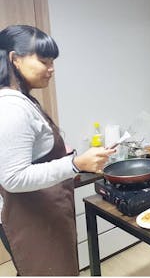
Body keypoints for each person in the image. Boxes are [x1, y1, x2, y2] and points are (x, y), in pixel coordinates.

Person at [0, 25, 115, 276]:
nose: (51, 69)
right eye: (43, 61)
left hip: (44, 212)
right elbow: (12, 178)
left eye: (52, 61)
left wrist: (63, 153)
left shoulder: (22, 100)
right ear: (14, 59)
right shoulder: (11, 108)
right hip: (31, 218)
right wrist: (74, 165)